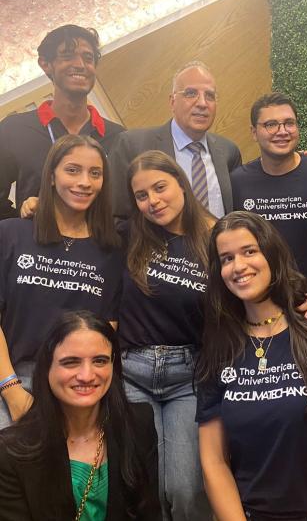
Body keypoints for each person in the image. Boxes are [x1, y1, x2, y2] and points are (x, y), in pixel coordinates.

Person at [196, 211, 307, 520]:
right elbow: (213, 461)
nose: (238, 266)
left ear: (272, 254)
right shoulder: (219, 350)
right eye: (226, 258)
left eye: (250, 251)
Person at [0, 134, 123, 428]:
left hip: (79, 383)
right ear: (52, 176)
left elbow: (107, 332)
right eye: (72, 170)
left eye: (95, 174)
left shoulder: (111, 250)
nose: (84, 182)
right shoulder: (11, 234)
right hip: (14, 377)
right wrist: (11, 389)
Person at [119, 150, 213, 521]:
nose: (153, 201)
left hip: (188, 377)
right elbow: (72, 229)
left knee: (186, 490)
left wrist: (302, 301)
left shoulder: (215, 237)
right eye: (142, 196)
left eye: (160, 188)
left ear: (182, 185)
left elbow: (258, 275)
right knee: (149, 490)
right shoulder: (128, 235)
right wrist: (30, 204)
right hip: (131, 375)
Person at [0, 310, 161, 520]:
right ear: (47, 367)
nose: (87, 375)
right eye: (71, 362)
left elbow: (148, 513)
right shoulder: (11, 451)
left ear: (113, 365)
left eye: (100, 361)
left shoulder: (139, 425)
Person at [231, 92, 307, 309]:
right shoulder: (238, 182)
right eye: (271, 125)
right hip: (258, 309)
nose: (282, 131)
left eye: (289, 123)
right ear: (254, 132)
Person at [0, 25, 124, 220]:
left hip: (101, 247)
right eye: (68, 56)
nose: (80, 64)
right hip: (38, 246)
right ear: (46, 64)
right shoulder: (15, 129)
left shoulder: (119, 137)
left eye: (88, 58)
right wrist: (19, 231)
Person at [110, 61, 241, 219]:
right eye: (191, 93)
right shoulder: (132, 146)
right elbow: (116, 217)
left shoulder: (228, 151)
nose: (202, 103)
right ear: (172, 102)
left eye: (210, 96)